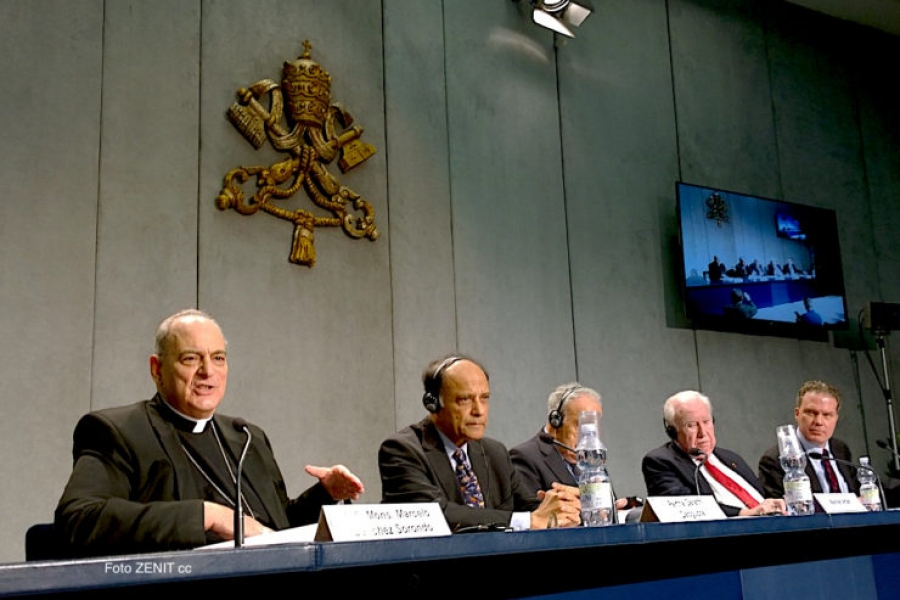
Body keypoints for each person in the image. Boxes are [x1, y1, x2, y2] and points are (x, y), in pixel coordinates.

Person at [55, 308, 364, 557]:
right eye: (191, 358)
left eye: (218, 357)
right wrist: (209, 515)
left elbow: (273, 531)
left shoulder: (246, 437)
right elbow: (79, 519)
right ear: (156, 369)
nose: (208, 371)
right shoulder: (119, 431)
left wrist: (324, 494)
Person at [378, 355, 581, 532]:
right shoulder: (401, 450)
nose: (479, 411)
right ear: (432, 403)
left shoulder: (495, 452)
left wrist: (560, 505)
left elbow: (527, 506)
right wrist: (528, 520)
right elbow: (434, 515)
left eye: (484, 398)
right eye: (465, 399)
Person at [642, 390, 786, 517]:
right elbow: (688, 511)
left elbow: (761, 497)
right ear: (672, 431)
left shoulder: (730, 458)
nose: (702, 433)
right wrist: (745, 513)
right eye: (691, 425)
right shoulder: (660, 461)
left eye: (706, 422)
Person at [509, 383, 637, 514]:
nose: (589, 437)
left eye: (594, 427)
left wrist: (616, 509)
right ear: (556, 421)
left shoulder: (591, 461)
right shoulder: (524, 457)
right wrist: (589, 508)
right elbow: (537, 516)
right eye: (582, 425)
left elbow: (604, 512)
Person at [758, 381, 859, 499]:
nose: (819, 422)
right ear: (797, 414)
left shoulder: (840, 450)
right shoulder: (776, 459)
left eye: (827, 415)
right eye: (811, 413)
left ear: (836, 418)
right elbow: (778, 509)